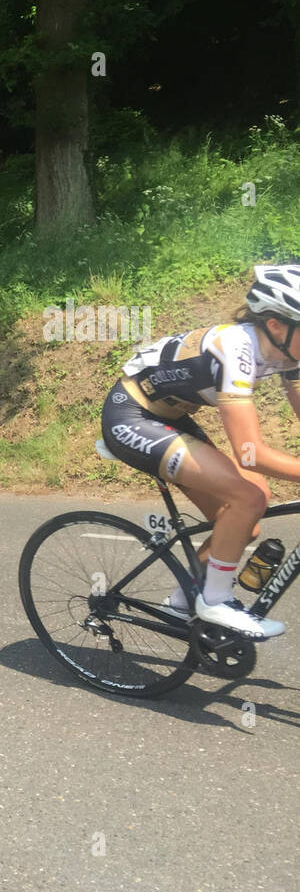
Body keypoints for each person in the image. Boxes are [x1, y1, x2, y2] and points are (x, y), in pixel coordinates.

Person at [100, 264, 300, 640]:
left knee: (246, 520)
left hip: (172, 415)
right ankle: (216, 600)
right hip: (130, 415)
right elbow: (250, 453)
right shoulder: (237, 348)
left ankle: (182, 602)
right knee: (246, 495)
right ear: (276, 325)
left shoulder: (290, 352)